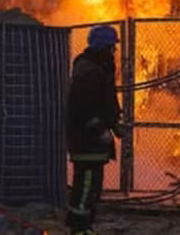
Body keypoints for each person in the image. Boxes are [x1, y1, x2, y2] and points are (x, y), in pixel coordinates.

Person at [65, 25, 124, 235]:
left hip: (92, 142)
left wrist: (115, 123)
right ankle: (79, 229)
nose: (114, 51)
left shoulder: (97, 68)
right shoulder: (90, 71)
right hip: (87, 141)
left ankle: (85, 225)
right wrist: (100, 129)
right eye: (111, 47)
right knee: (86, 186)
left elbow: (104, 101)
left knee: (91, 187)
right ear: (104, 47)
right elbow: (82, 108)